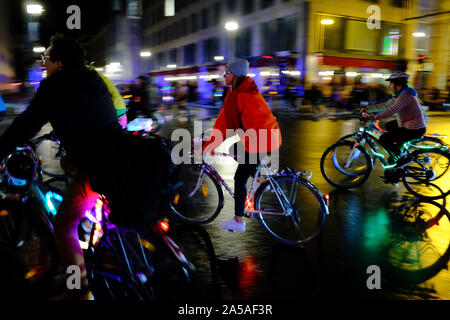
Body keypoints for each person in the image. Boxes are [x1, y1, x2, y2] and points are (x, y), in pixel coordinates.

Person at [0, 34, 120, 299]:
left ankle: (81, 290)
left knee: (63, 225)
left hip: (95, 164)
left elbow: (27, 123)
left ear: (59, 62)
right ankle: (99, 223)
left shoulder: (55, 84)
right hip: (115, 153)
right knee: (67, 163)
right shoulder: (91, 78)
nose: (44, 63)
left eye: (47, 59)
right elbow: (86, 114)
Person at [202, 59, 282, 232]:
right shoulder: (246, 89)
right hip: (269, 135)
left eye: (227, 72)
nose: (224, 75)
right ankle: (261, 178)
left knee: (240, 178)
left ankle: (238, 221)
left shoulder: (238, 95)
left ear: (236, 75)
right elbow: (228, 121)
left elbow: (224, 124)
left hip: (259, 140)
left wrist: (207, 146)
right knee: (235, 149)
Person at [361, 71, 427, 167]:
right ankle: (398, 150)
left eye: (391, 83)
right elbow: (386, 105)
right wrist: (368, 108)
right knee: (389, 126)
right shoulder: (400, 95)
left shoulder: (405, 96)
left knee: (384, 139)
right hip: (408, 126)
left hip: (414, 129)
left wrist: (373, 117)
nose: (389, 86)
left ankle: (403, 157)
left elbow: (391, 111)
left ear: (398, 84)